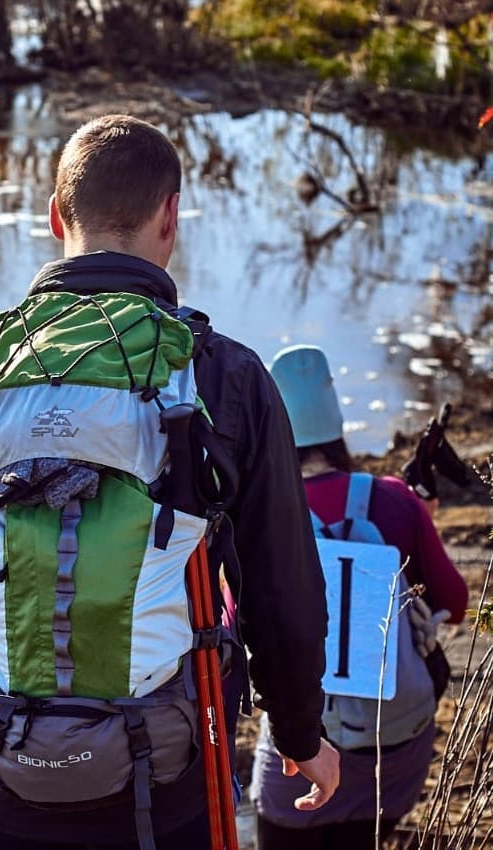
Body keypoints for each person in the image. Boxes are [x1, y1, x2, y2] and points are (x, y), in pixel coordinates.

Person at [0, 114, 339, 849]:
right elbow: (280, 585)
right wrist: (299, 730)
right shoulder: (220, 374)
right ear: (172, 217)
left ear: (54, 216)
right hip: (166, 771)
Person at [250, 344, 468, 850]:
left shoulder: (259, 509)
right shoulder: (395, 499)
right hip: (392, 752)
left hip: (298, 752)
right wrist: (416, 524)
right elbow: (455, 604)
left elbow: (238, 622)